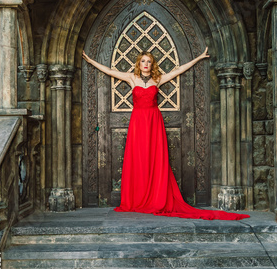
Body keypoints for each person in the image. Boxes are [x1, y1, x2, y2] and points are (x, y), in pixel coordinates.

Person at [82, 48, 250, 221]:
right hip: (138, 122)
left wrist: (198, 57)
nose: (146, 64)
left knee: (154, 158)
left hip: (154, 121)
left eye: (149, 61)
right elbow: (110, 71)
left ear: (152, 64)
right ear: (139, 64)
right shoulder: (132, 78)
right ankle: (138, 198)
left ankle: (155, 197)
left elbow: (178, 70)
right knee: (138, 158)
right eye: (143, 61)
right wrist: (90, 61)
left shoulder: (157, 79)